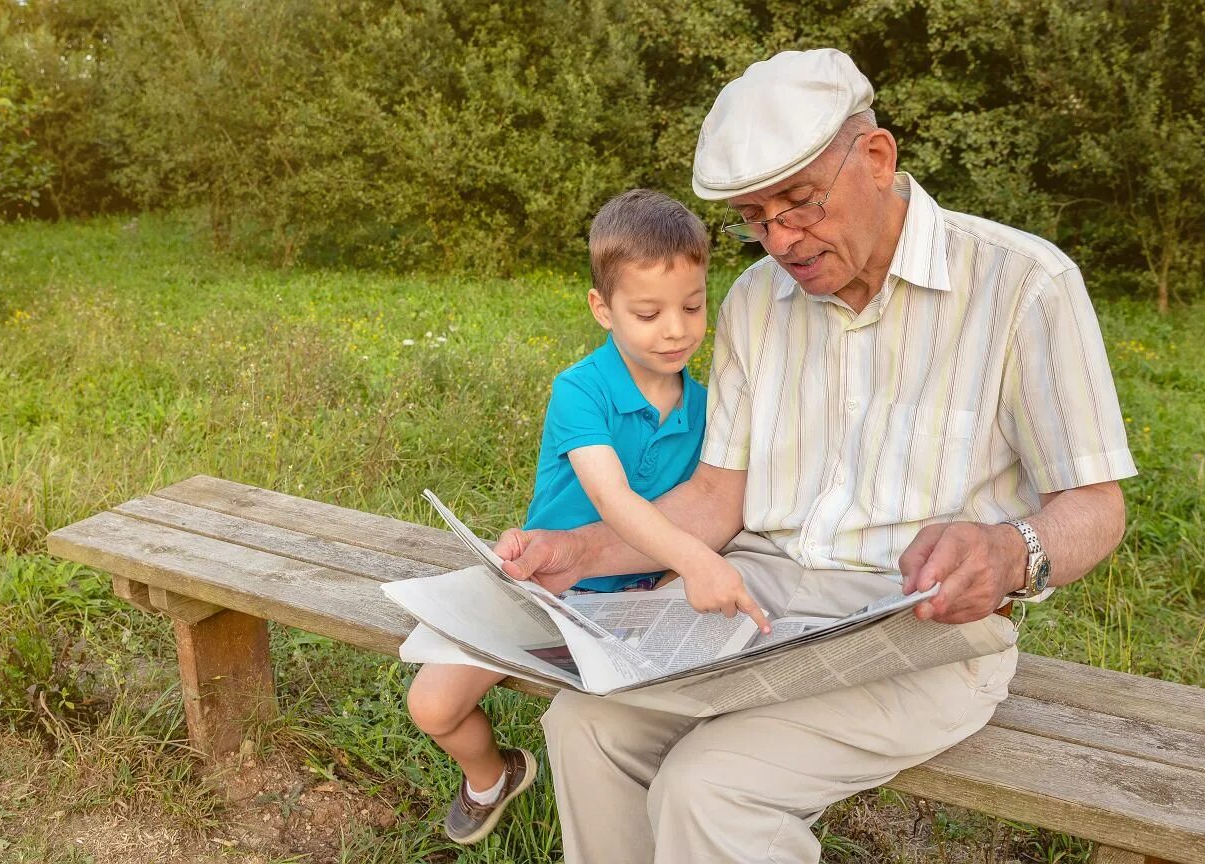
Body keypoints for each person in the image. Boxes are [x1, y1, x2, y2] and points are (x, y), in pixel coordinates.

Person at [494, 49, 1136, 863]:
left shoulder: (1024, 284)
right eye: (754, 220)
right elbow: (716, 497)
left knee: (710, 787)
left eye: (798, 204)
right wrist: (574, 550)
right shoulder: (758, 299)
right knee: (585, 723)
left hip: (917, 628)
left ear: (876, 158)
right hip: (754, 608)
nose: (781, 241)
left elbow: (1096, 507)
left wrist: (1012, 551)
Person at [406, 189, 756, 845]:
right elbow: (613, 500)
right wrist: (695, 559)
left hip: (642, 599)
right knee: (432, 705)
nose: (676, 329)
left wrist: (684, 569)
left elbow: (715, 503)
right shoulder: (581, 389)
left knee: (649, 726)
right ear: (604, 308)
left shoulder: (711, 409)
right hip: (549, 583)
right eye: (648, 313)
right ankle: (493, 775)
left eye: (692, 305)